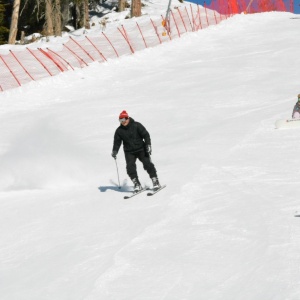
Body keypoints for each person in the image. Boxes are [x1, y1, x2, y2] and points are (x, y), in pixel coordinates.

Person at [111, 110, 161, 192]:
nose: (122, 122)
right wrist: (115, 151)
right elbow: (117, 142)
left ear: (127, 118)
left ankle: (155, 181)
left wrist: (148, 144)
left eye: (123, 120)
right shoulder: (119, 131)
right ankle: (137, 184)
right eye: (120, 120)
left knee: (147, 164)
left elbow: (146, 135)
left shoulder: (137, 125)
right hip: (129, 152)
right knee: (130, 167)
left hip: (141, 149)